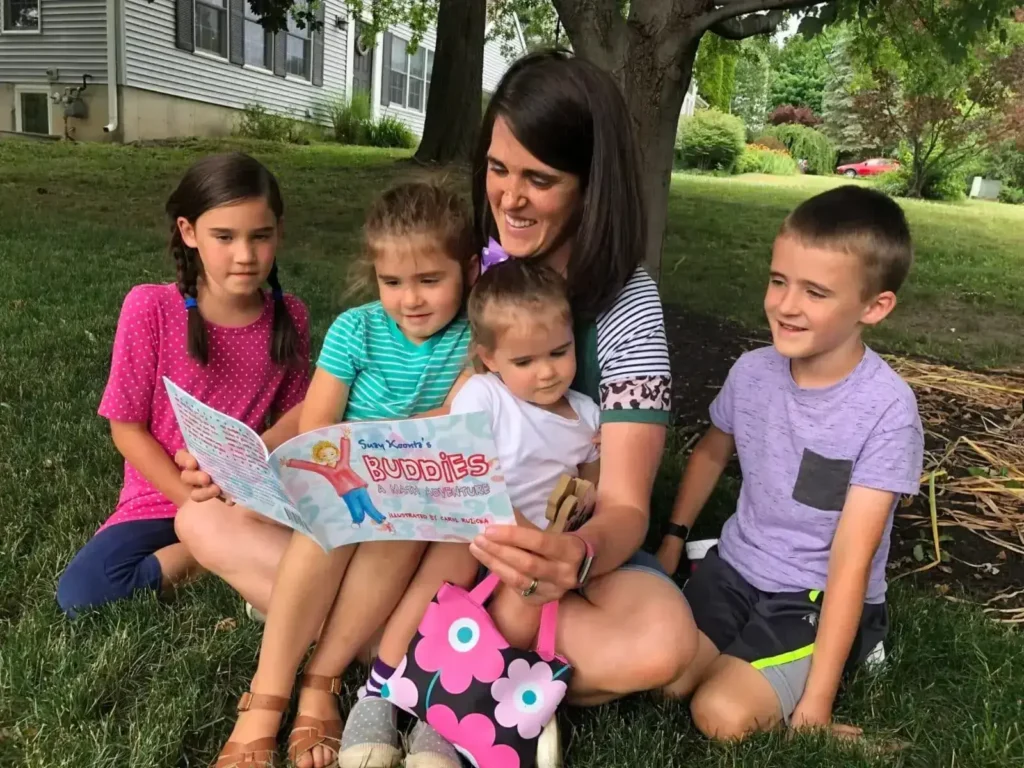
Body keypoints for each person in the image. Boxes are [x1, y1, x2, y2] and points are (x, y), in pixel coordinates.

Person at [174, 182, 478, 768]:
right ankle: (272, 693)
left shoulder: (476, 339)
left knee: (395, 516)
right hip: (338, 492)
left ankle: (321, 676)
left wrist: (378, 459)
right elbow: (317, 429)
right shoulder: (356, 330)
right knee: (244, 517)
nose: (409, 300)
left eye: (429, 281)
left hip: (412, 510)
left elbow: (454, 423)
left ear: (467, 270)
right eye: (392, 283)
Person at [656, 185, 925, 739]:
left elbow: (851, 559)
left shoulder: (887, 410)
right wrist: (672, 541)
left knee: (721, 715)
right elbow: (711, 450)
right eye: (778, 280)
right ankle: (740, 643)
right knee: (663, 679)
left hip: (814, 593)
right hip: (735, 567)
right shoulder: (752, 371)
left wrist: (815, 709)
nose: (785, 305)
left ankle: (851, 650)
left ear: (874, 307)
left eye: (815, 292)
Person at [339, 258, 602, 768]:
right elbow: (465, 473)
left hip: (531, 555)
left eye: (560, 352)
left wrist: (584, 506)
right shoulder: (484, 395)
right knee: (440, 585)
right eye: (524, 361)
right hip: (473, 531)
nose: (547, 371)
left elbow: (593, 484)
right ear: (489, 359)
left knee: (508, 619)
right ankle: (381, 690)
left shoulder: (587, 415)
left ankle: (447, 718)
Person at [55, 152, 310, 618]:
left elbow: (300, 414)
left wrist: (255, 463)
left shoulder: (289, 315)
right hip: (163, 495)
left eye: (261, 236)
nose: (245, 255)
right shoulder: (150, 309)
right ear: (189, 232)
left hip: (251, 498)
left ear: (279, 232)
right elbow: (126, 428)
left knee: (331, 543)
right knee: (84, 594)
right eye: (224, 236)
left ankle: (236, 553)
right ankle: (219, 559)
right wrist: (191, 501)